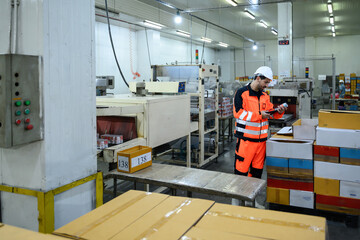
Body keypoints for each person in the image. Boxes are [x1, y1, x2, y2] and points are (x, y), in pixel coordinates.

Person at [233, 66, 287, 179]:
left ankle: (252, 197)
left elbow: (270, 112)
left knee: (257, 175)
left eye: (268, 83)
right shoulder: (242, 93)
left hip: (261, 144)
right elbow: (238, 113)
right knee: (240, 175)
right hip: (246, 143)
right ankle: (239, 197)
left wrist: (279, 112)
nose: (266, 85)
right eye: (265, 82)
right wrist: (259, 115)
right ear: (258, 78)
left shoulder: (265, 96)